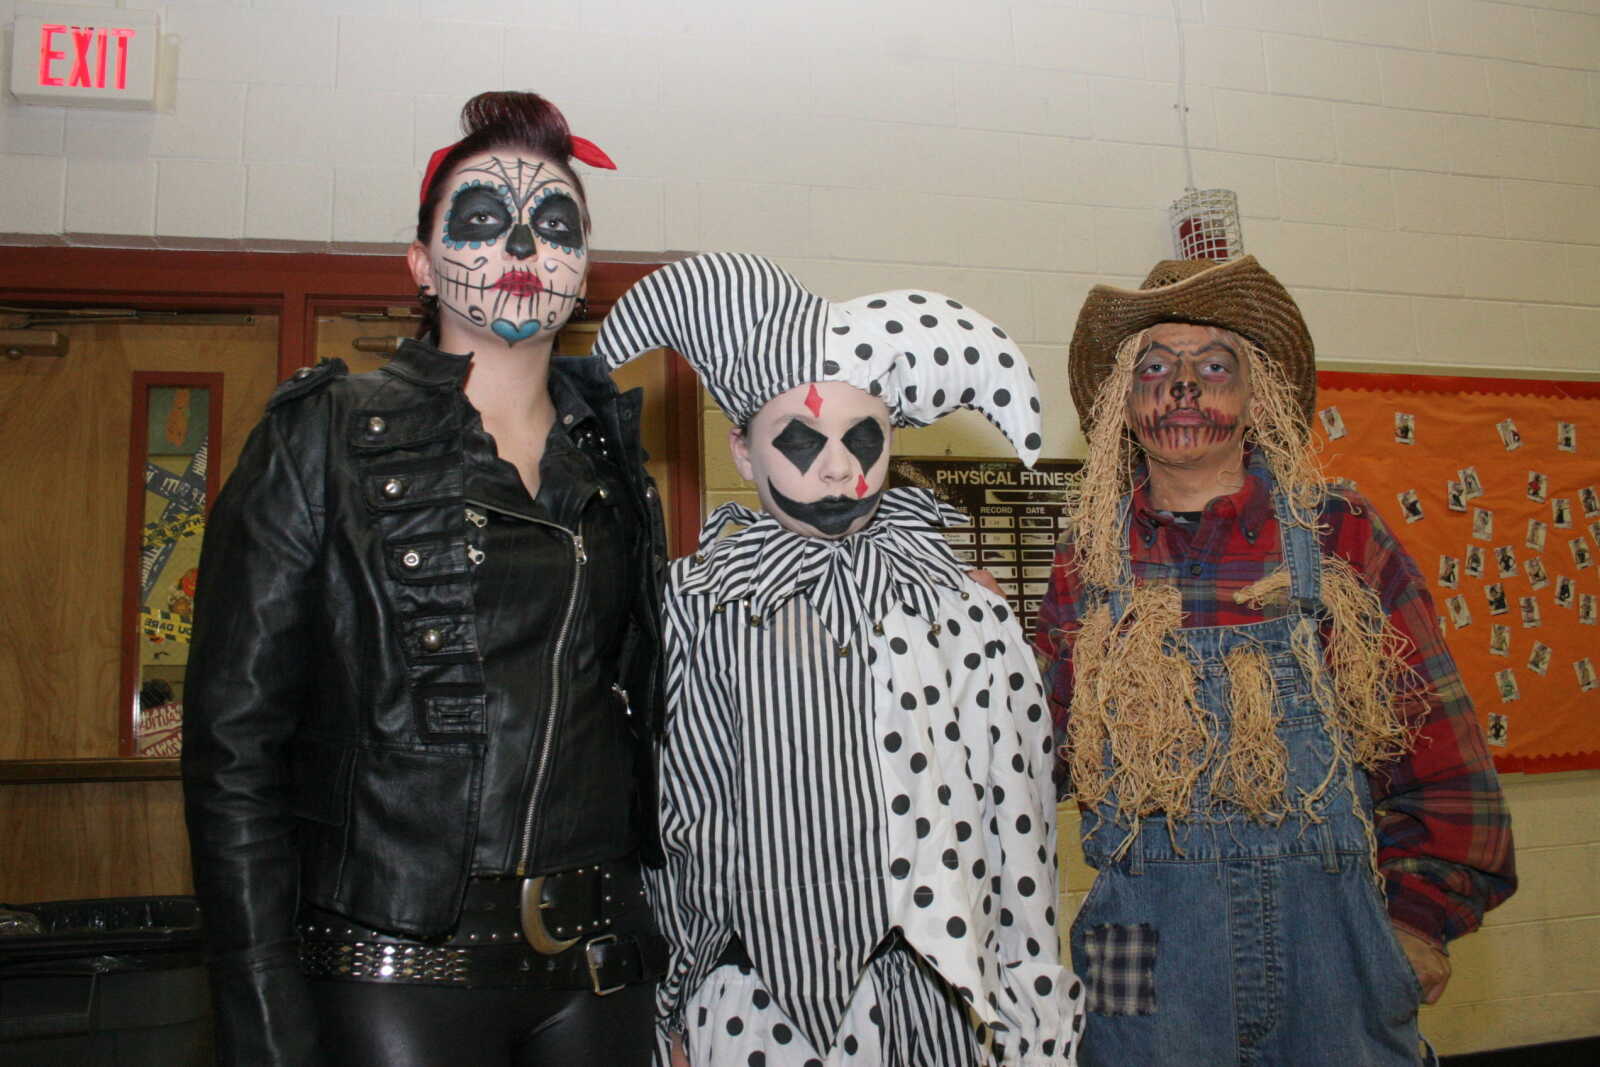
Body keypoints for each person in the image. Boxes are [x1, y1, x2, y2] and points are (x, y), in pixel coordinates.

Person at [181, 91, 668, 1066]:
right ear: (420, 263)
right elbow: (234, 747)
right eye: (483, 219)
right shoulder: (324, 435)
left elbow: (648, 701)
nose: (524, 243)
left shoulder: (612, 460)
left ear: (584, 271)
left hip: (598, 969)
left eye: (557, 223)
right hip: (391, 973)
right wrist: (261, 1004)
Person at [595, 253, 1083, 1065]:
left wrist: (1033, 1014)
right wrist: (667, 1005)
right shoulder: (687, 607)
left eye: (862, 437)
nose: (836, 467)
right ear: (742, 451)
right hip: (754, 1006)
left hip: (940, 1000)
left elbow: (1019, 821)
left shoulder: (962, 608)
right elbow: (662, 816)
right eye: (798, 438)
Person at [1033, 256, 1515, 1066]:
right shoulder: (1089, 562)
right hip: (1143, 964)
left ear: (1259, 396)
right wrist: (962, 646)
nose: (1182, 387)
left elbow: (1439, 750)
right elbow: (1029, 757)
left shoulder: (1337, 535)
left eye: (1214, 366)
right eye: (1155, 367)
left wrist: (1415, 921)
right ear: (1123, 401)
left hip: (1333, 963)